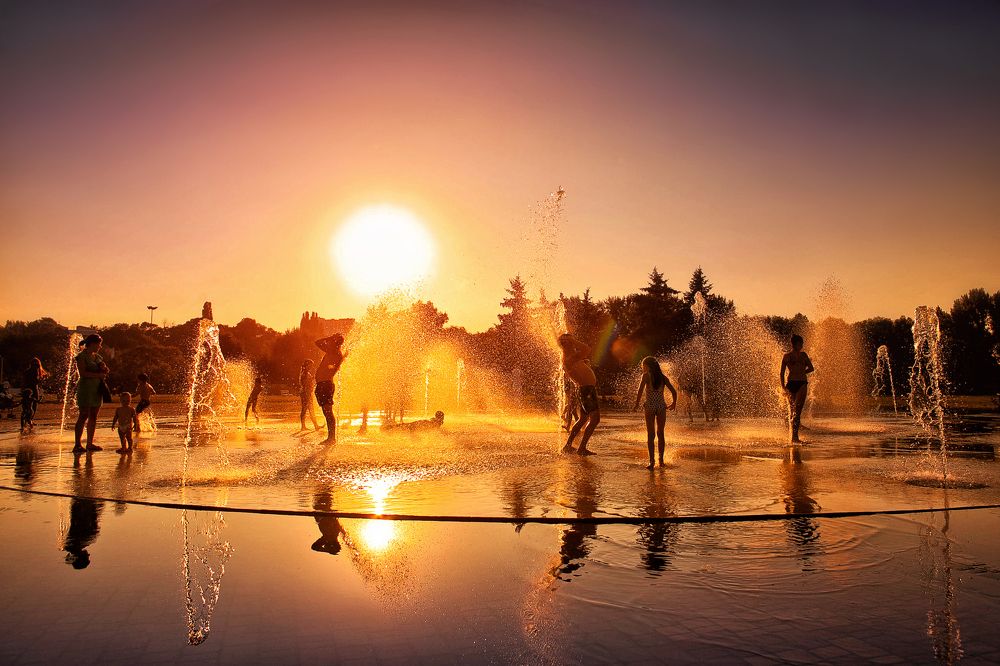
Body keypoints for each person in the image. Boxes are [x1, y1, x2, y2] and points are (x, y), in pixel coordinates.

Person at [558, 333, 601, 455]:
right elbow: (587, 349)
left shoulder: (570, 357)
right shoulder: (570, 357)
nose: (574, 344)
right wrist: (573, 340)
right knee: (595, 419)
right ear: (567, 344)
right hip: (587, 390)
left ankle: (568, 446)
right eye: (570, 342)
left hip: (584, 389)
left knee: (583, 419)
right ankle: (582, 448)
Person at [633, 356, 678, 469]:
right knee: (660, 434)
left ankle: (652, 462)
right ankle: (661, 461)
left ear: (647, 366)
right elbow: (674, 391)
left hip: (650, 406)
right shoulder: (663, 377)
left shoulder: (646, 376)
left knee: (651, 434)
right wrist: (673, 404)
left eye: (643, 365)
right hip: (661, 407)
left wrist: (637, 404)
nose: (642, 368)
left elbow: (640, 391)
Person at [73, 334, 109, 453]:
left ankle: (89, 443)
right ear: (92, 344)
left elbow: (105, 369)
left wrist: (104, 369)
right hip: (86, 388)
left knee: (93, 416)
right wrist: (98, 375)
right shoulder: (81, 356)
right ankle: (77, 444)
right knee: (83, 415)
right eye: (99, 344)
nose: (100, 346)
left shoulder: (97, 357)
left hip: (96, 389)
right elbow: (82, 373)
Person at [780, 334, 815, 444]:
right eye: (800, 343)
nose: (802, 345)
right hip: (791, 384)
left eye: (802, 343)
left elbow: (811, 368)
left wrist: (802, 372)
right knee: (791, 412)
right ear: (794, 344)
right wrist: (783, 387)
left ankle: (795, 437)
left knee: (797, 411)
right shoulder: (787, 356)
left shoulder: (804, 355)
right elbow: (781, 373)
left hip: (802, 383)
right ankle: (792, 437)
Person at [314, 334, 348, 443]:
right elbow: (318, 342)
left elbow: (317, 342)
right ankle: (331, 437)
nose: (330, 341)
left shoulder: (333, 351)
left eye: (333, 339)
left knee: (328, 412)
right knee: (326, 412)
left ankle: (331, 438)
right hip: (322, 385)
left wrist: (329, 338)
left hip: (325, 385)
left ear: (335, 341)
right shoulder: (333, 352)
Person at [22, 357, 48, 427]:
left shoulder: (27, 371)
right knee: (34, 405)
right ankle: (30, 419)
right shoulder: (36, 371)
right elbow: (36, 381)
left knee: (25, 405)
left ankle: (26, 418)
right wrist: (40, 380)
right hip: (33, 389)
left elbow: (24, 381)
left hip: (26, 389)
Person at [299, 359, 320, 431]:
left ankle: (312, 426)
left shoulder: (305, 372)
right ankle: (308, 426)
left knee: (307, 409)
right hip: (306, 393)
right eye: (310, 365)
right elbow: (304, 384)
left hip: (306, 393)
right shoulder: (304, 373)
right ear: (307, 365)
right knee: (307, 409)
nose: (311, 367)